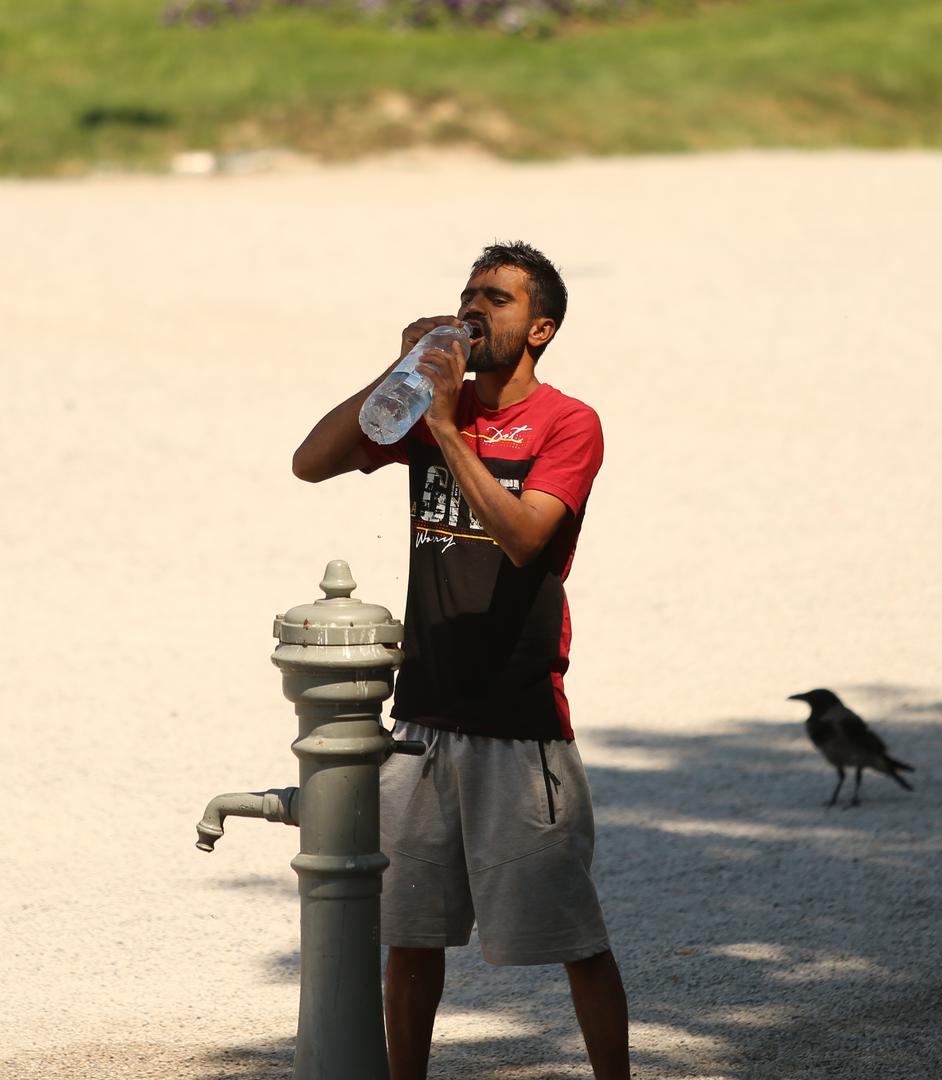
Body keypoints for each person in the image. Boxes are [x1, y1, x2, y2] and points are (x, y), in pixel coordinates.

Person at [292, 241, 629, 1080]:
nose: (477, 308)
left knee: (573, 941)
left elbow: (524, 540)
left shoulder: (567, 422)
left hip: (520, 725)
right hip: (421, 720)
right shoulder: (427, 399)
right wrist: (401, 369)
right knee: (409, 940)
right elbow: (311, 462)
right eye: (469, 293)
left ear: (541, 326)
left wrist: (443, 424)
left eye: (500, 299)